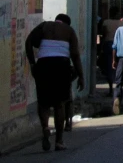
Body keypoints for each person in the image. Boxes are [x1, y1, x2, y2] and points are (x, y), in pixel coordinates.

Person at [25, 14, 84, 152]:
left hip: (43, 65)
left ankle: (45, 127)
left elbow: (28, 42)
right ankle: (59, 141)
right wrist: (81, 76)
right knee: (59, 104)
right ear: (67, 23)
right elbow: (75, 55)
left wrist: (33, 64)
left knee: (43, 102)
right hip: (61, 66)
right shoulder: (69, 31)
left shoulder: (44, 26)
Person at [100, 7, 123, 97]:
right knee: (119, 67)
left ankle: (111, 89)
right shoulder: (122, 23)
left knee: (108, 67)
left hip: (108, 44)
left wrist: (100, 48)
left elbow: (104, 35)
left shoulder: (106, 22)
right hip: (119, 46)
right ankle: (119, 88)